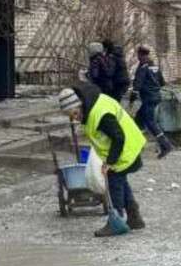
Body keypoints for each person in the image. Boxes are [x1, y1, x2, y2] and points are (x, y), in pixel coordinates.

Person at [57, 84, 147, 238]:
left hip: (125, 148)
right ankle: (134, 217)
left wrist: (110, 162)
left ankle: (116, 221)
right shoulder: (92, 106)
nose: (75, 118)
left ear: (79, 105)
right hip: (125, 146)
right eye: (71, 116)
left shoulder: (100, 114)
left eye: (75, 113)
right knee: (120, 181)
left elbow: (118, 137)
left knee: (114, 182)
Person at [130, 45, 174, 159]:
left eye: (138, 55)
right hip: (155, 96)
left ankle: (166, 145)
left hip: (148, 98)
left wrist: (133, 96)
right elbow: (162, 82)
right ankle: (135, 146)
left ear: (140, 55)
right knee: (138, 121)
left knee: (150, 122)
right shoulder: (154, 66)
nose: (138, 57)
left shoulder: (143, 67)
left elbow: (137, 84)